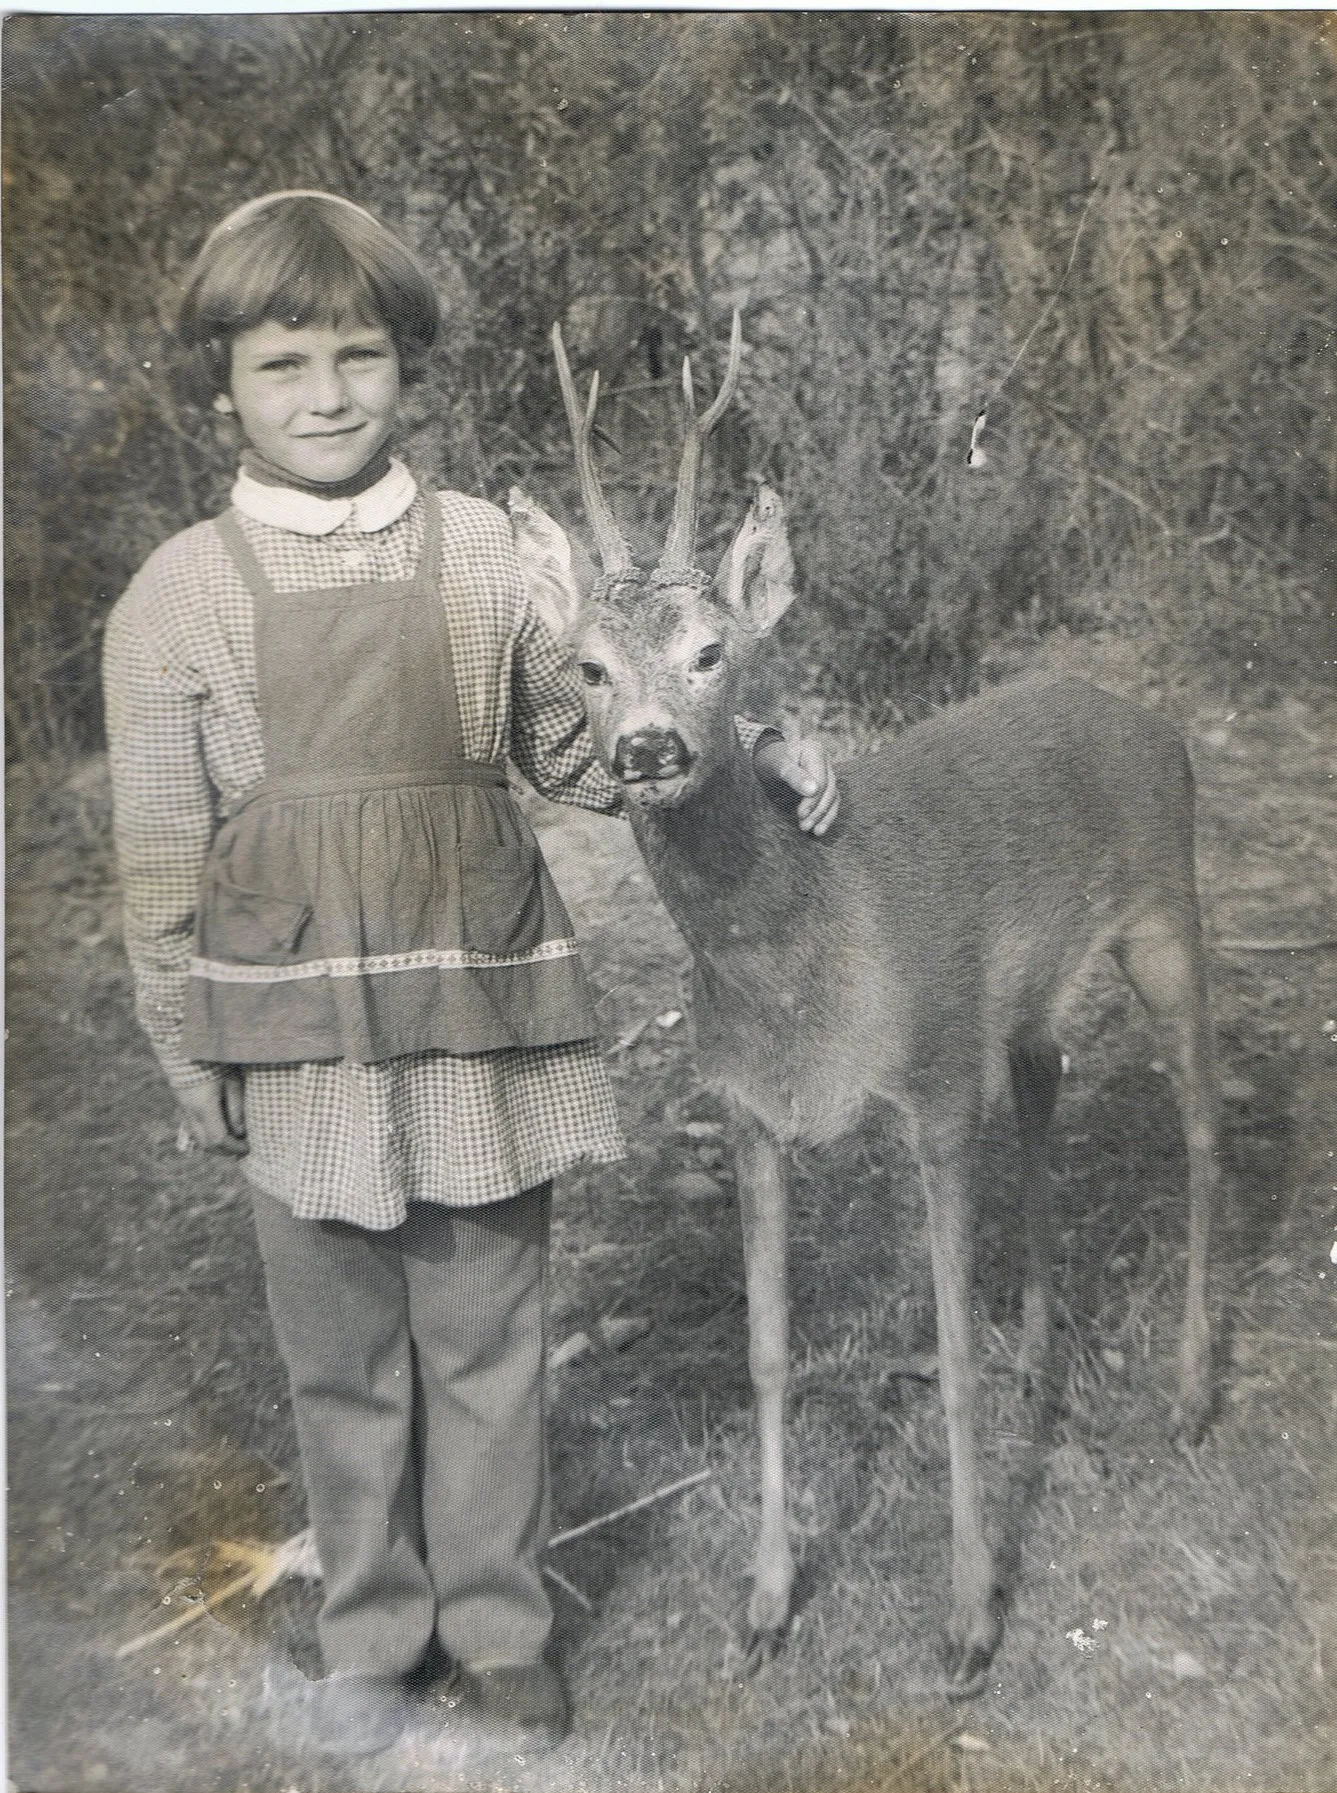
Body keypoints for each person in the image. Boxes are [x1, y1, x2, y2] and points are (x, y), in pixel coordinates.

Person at [103, 190, 838, 1761]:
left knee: (489, 1333)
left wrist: (757, 736)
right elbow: (162, 864)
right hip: (293, 1033)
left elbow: (596, 749)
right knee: (342, 1357)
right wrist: (191, 1058)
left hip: (479, 1011)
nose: (326, 395)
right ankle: (372, 1629)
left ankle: (503, 1626)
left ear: (408, 364)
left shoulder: (497, 560)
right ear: (222, 380)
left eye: (359, 355)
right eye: (283, 363)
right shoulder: (176, 597)